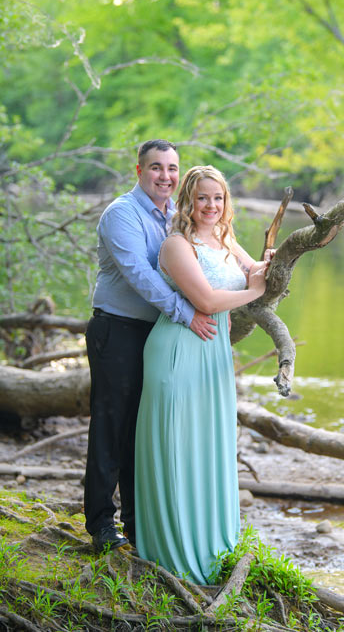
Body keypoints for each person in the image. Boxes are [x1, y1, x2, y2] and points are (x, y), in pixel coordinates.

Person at [134, 165, 269, 584]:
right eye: (202, 198)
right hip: (177, 350)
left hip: (212, 355)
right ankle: (173, 555)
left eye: (219, 198)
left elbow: (258, 268)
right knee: (179, 447)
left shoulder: (224, 238)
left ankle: (214, 547)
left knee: (210, 445)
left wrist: (273, 264)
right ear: (187, 201)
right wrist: (255, 292)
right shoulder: (177, 244)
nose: (211, 206)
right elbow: (208, 300)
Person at [85, 140, 217, 552]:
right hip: (117, 331)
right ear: (138, 171)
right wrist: (189, 312)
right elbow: (141, 277)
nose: (166, 176)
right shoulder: (121, 214)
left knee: (147, 431)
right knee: (112, 425)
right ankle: (101, 524)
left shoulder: (174, 218)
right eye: (156, 167)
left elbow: (209, 253)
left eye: (172, 168)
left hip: (157, 336)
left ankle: (140, 526)